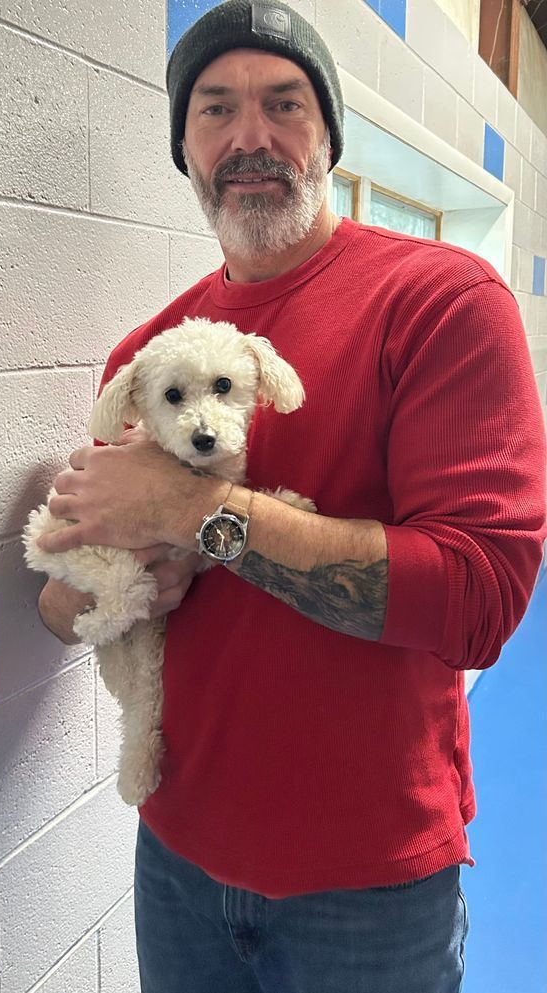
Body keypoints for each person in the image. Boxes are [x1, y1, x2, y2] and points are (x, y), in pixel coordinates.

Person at [36, 2, 547, 990]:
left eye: (285, 103)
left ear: (328, 135)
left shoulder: (440, 301)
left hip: (369, 885)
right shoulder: (147, 359)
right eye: (216, 109)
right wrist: (86, 591)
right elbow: (69, 601)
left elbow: (480, 602)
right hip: (176, 856)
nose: (250, 136)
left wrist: (194, 515)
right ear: (183, 146)